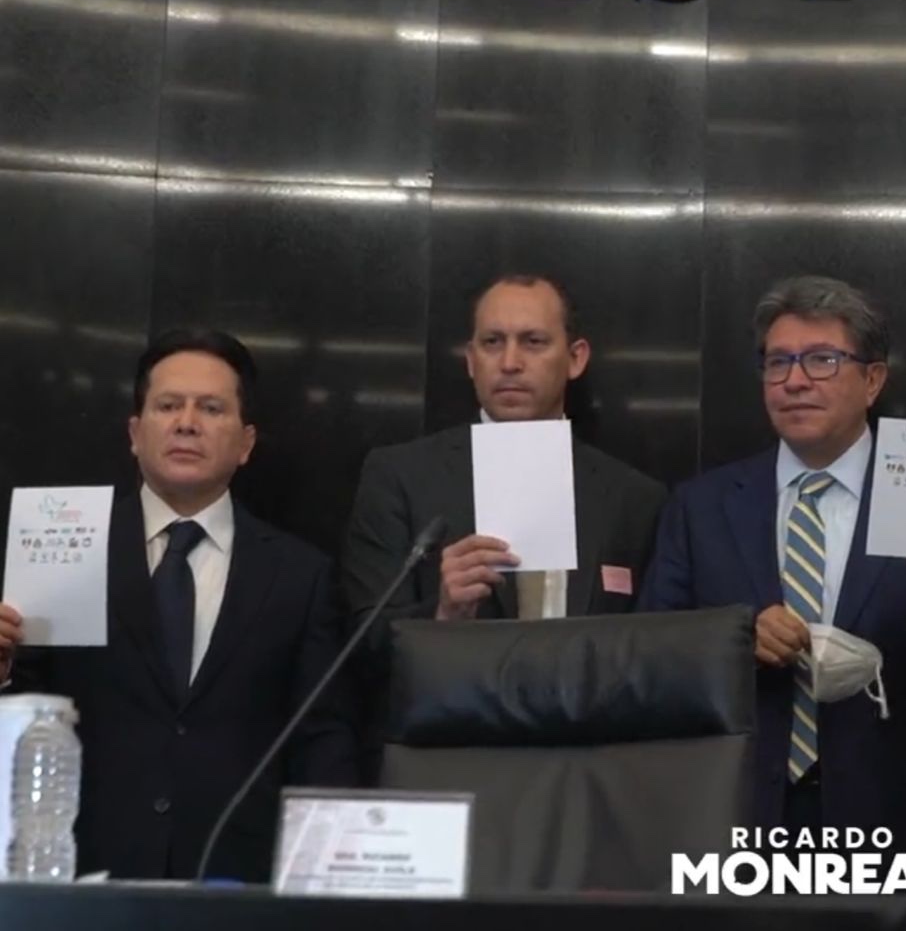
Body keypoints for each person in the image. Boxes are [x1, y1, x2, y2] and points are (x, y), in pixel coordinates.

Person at [639, 276, 906, 867]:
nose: (795, 381)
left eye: (822, 360)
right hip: (735, 819)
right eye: (778, 362)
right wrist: (734, 641)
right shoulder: (701, 507)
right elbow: (651, 658)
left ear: (873, 380)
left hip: (892, 825)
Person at [0, 329, 358, 881]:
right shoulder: (64, 548)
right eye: (168, 406)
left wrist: (326, 877)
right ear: (135, 433)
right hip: (82, 877)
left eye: (211, 408)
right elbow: (25, 708)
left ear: (246, 443)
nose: (187, 423)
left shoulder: (300, 575)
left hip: (239, 882)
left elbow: (322, 740)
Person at [342, 276, 667, 772]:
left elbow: (654, 655)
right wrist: (443, 612)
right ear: (470, 360)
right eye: (493, 342)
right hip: (446, 760)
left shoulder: (634, 497)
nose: (510, 362)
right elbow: (358, 646)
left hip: (587, 766)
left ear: (575, 358)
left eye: (533, 342)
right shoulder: (400, 476)